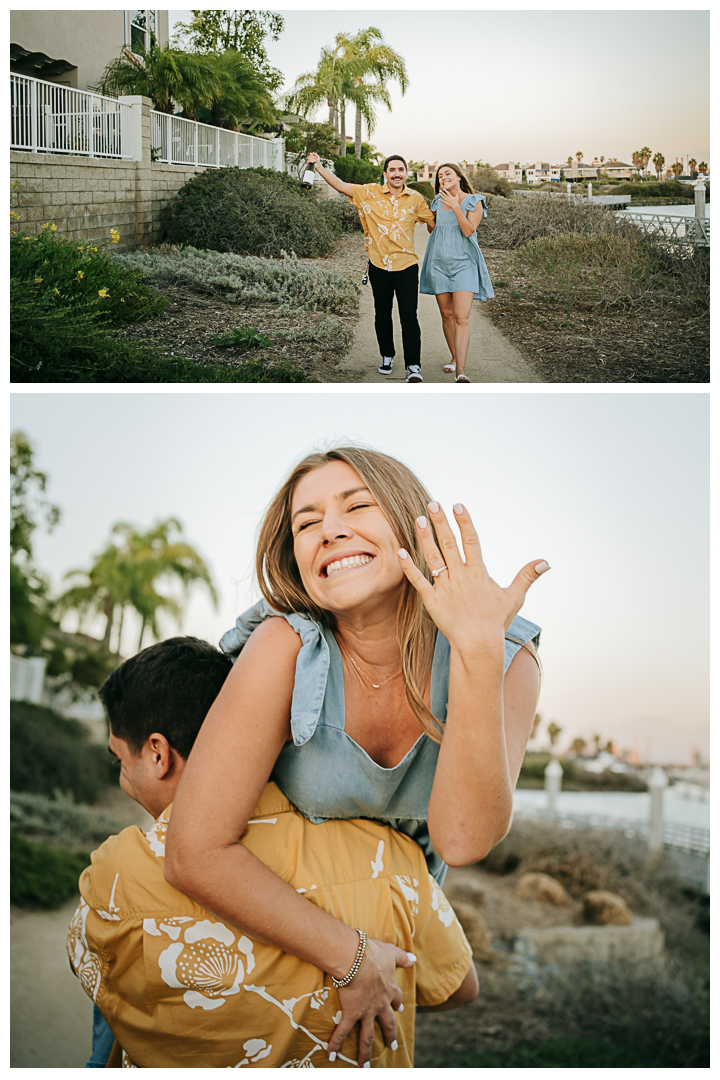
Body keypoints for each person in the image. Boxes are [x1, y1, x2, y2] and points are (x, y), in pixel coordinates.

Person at [165, 445, 546, 1068]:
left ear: (410, 521)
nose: (329, 530)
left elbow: (462, 840)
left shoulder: (502, 654)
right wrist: (348, 954)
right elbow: (194, 849)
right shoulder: (285, 645)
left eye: (357, 506)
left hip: (398, 925)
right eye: (306, 523)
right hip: (271, 920)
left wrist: (475, 652)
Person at [67, 636, 477, 1069]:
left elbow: (94, 975)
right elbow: (460, 988)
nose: (122, 781)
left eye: (119, 762)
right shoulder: (395, 859)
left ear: (157, 753)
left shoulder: (116, 876)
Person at [305, 152, 435, 383]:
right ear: (385, 174)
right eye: (392, 170)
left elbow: (433, 224)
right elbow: (341, 185)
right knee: (382, 315)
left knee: (409, 316)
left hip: (406, 267)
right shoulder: (369, 192)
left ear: (406, 173)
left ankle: (413, 366)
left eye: (401, 169)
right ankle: (387, 355)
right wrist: (318, 167)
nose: (397, 173)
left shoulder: (416, 199)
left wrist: (453, 208)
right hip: (378, 266)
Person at [420, 163, 495, 382]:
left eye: (448, 173)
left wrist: (455, 206)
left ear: (459, 177)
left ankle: (461, 371)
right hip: (439, 265)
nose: (443, 177)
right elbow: (434, 228)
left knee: (461, 318)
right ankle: (454, 357)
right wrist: (425, 216)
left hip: (464, 265)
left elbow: (468, 230)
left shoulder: (475, 201)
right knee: (447, 315)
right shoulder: (437, 201)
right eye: (440, 175)